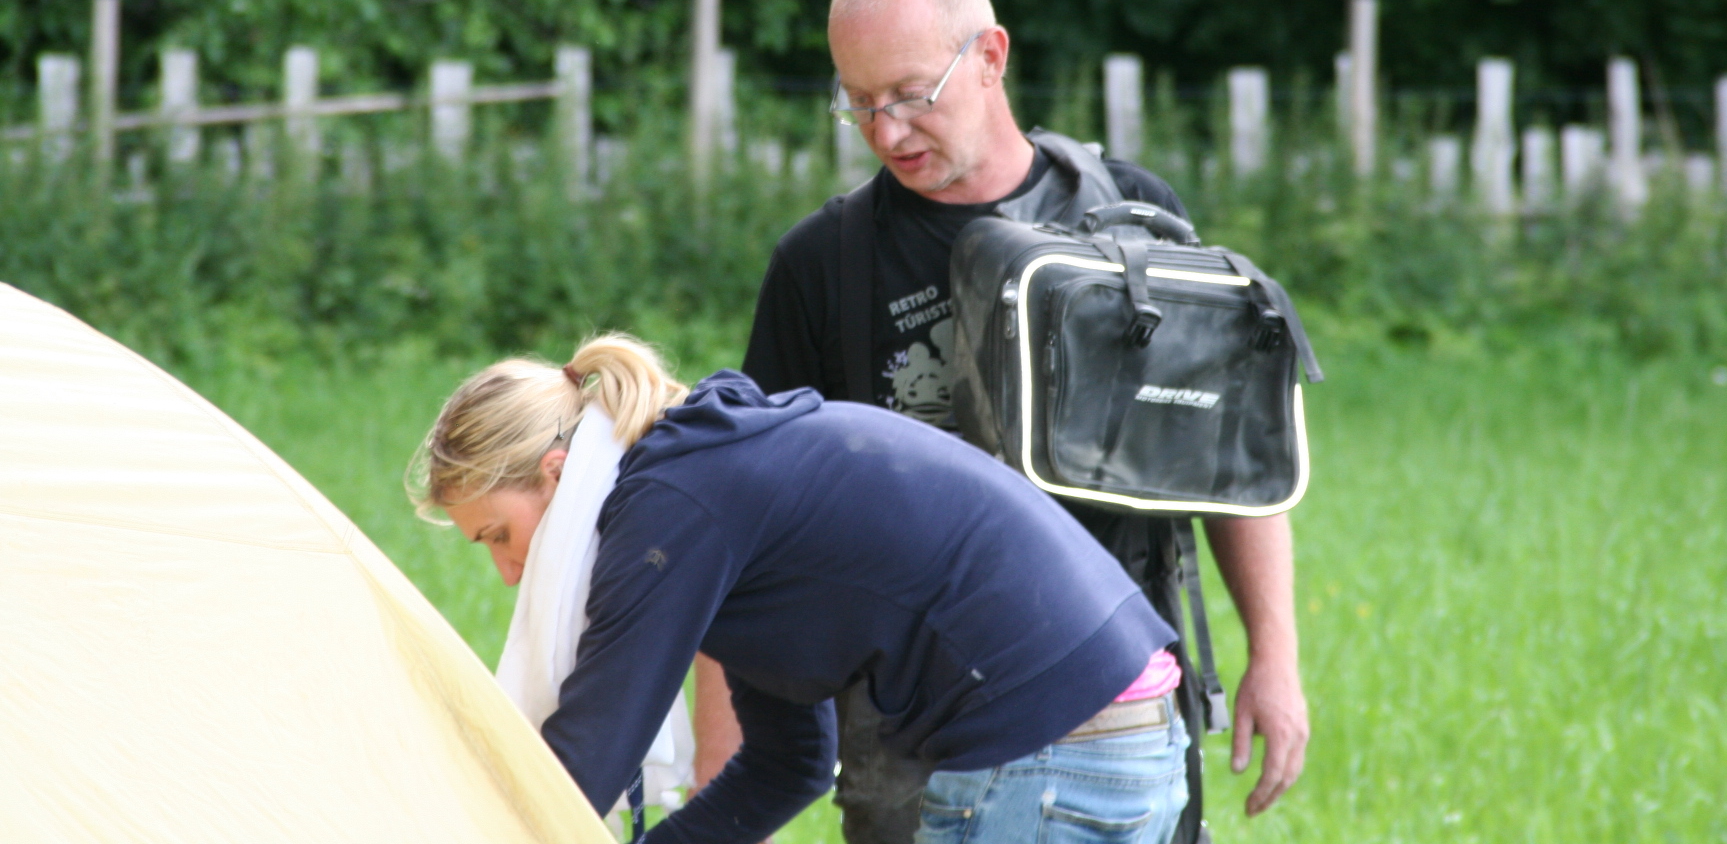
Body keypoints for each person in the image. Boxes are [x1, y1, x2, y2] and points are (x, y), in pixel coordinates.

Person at [722, 0, 1308, 843]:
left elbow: (1222, 456)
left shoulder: (1135, 219)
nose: (886, 132)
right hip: (916, 756)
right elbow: (742, 525)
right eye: (859, 103)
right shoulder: (823, 266)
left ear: (990, 56)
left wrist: (1275, 655)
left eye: (910, 94)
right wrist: (724, 779)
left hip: (1126, 737)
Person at [409, 334, 1192, 844]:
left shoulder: (669, 506)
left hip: (1049, 746)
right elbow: (791, 761)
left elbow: (581, 766)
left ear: (555, 475)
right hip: (1126, 727)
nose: (509, 571)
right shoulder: (707, 475)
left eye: (498, 535)